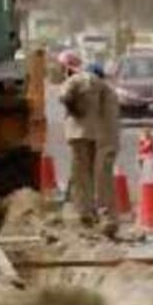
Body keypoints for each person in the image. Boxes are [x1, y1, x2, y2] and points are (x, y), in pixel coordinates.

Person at [58, 51, 105, 224]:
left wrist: (74, 109)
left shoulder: (74, 81)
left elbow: (63, 97)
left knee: (79, 173)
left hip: (78, 133)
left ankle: (83, 212)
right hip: (94, 132)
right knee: (89, 172)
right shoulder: (97, 84)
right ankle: (91, 208)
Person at [88, 63, 121, 233]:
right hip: (106, 142)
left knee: (102, 180)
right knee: (102, 179)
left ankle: (108, 218)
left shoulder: (101, 91)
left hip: (105, 143)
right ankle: (107, 216)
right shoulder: (107, 91)